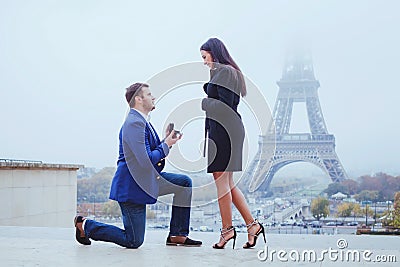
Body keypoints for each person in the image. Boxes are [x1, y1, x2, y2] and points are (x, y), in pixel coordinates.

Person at [74, 82, 202, 248]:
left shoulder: (143, 121)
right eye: (149, 94)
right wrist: (166, 145)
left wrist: (167, 140)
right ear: (139, 100)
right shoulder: (134, 123)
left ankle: (177, 234)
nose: (153, 97)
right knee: (133, 240)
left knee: (183, 183)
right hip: (132, 187)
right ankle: (85, 226)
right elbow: (146, 160)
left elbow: (149, 153)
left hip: (146, 181)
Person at [200, 38, 265, 249]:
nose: (204, 62)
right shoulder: (225, 72)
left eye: (204, 57)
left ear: (214, 53)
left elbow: (225, 106)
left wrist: (205, 102)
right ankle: (252, 225)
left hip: (225, 132)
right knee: (226, 182)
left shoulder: (225, 72)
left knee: (221, 180)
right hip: (225, 131)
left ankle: (227, 231)